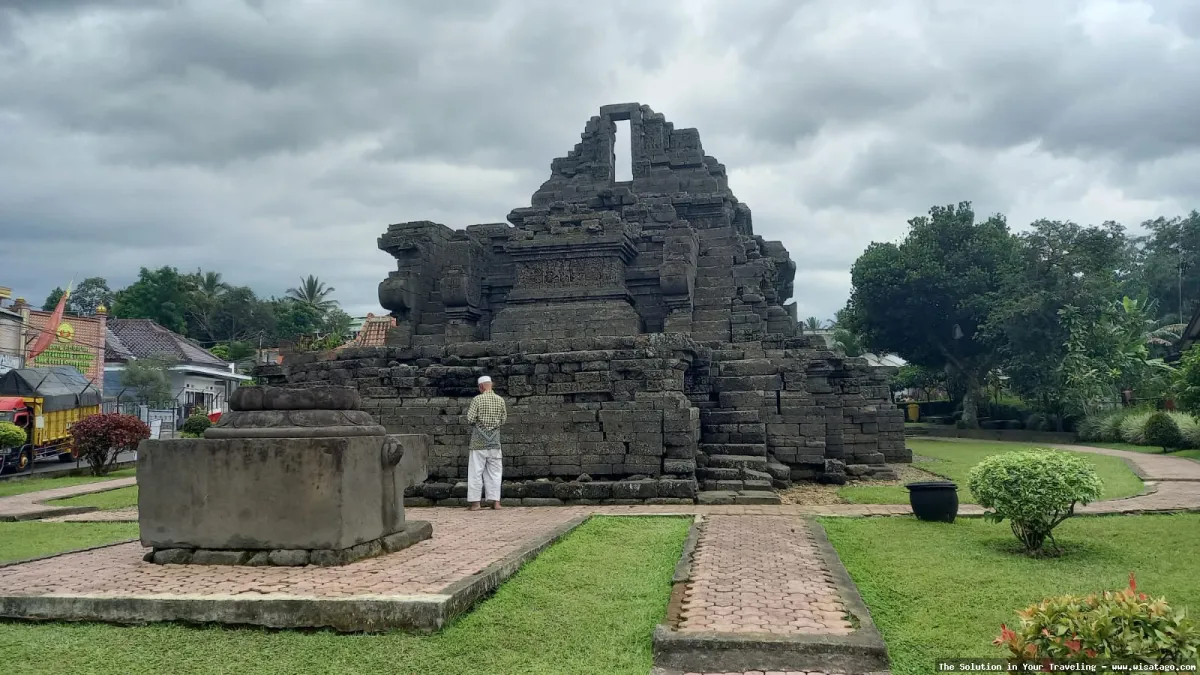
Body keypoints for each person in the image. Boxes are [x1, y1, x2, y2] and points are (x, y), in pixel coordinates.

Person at [465, 375, 507, 511]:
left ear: (481, 387)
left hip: (478, 443)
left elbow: (470, 419)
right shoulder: (500, 400)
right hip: (495, 442)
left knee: (475, 472)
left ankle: (476, 504)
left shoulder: (477, 400)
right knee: (495, 472)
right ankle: (496, 502)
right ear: (491, 384)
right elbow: (503, 419)